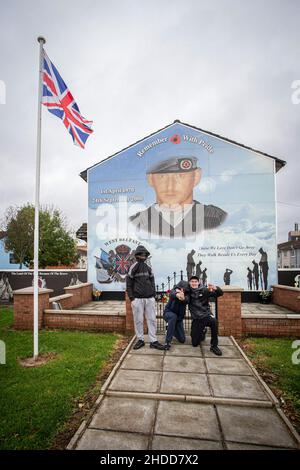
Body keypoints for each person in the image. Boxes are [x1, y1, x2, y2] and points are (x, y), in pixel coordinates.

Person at [129, 156, 227, 238]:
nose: (170, 186)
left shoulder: (218, 218)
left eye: (180, 176)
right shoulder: (136, 223)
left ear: (196, 177)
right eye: (162, 177)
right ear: (150, 179)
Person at [126, 245, 165, 350]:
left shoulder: (149, 268)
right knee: (138, 320)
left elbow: (152, 282)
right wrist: (131, 298)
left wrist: (153, 294)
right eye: (141, 254)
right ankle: (140, 340)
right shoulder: (133, 267)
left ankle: (153, 341)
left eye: (144, 254)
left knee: (152, 319)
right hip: (137, 299)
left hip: (149, 298)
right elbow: (128, 284)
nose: (143, 256)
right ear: (137, 255)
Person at [188, 275, 223, 356]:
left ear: (198, 282)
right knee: (194, 344)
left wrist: (216, 288)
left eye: (195, 282)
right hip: (197, 319)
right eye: (192, 282)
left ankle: (214, 346)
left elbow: (219, 294)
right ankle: (202, 332)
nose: (194, 283)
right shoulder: (188, 292)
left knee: (214, 322)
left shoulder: (204, 290)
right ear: (189, 283)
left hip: (206, 315)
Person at [163, 280, 189, 350]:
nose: (182, 290)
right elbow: (172, 293)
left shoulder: (187, 296)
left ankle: (170, 328)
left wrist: (183, 298)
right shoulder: (174, 291)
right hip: (168, 314)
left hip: (178, 319)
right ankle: (167, 342)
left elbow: (187, 300)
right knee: (173, 316)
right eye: (180, 288)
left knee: (182, 340)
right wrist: (177, 294)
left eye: (184, 289)